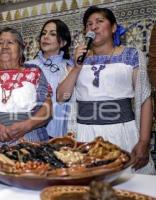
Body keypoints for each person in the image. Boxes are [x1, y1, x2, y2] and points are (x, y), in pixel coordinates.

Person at [57, 6, 155, 174]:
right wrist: (77, 67)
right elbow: (61, 96)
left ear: (114, 27)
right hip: (85, 134)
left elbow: (145, 98)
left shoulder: (131, 55)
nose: (93, 27)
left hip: (122, 132)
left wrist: (144, 142)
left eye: (99, 22)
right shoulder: (77, 61)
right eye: (89, 24)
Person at [0, 27, 52, 161]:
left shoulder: (35, 73)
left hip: (29, 140)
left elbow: (47, 109)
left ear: (20, 49)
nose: (4, 46)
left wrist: (26, 126)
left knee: (26, 179)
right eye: (0, 43)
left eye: (10, 42)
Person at [27, 19, 73, 138]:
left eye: (52, 34)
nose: (45, 37)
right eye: (44, 33)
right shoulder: (28, 66)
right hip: (31, 131)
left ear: (62, 42)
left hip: (60, 134)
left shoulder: (70, 68)